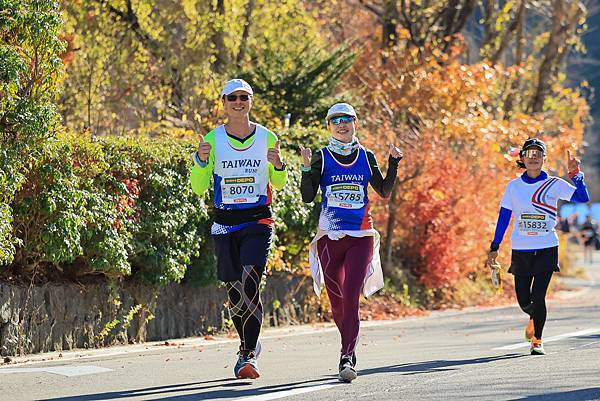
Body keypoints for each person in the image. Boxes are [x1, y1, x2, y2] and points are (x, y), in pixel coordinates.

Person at [190, 79, 287, 379]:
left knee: (250, 282)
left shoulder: (268, 138)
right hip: (224, 222)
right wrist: (202, 161)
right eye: (232, 97)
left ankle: (248, 354)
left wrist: (279, 165)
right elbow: (199, 186)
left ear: (251, 101)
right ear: (223, 102)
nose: (238, 102)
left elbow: (279, 184)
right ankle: (247, 346)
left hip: (258, 219)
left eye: (244, 97)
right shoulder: (213, 138)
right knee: (234, 291)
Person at [300, 103, 402, 382]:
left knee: (351, 295)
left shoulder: (366, 156)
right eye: (336, 120)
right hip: (330, 237)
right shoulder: (321, 156)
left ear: (356, 123)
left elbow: (383, 191)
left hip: (361, 235)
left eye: (347, 119)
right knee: (338, 302)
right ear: (329, 126)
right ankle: (348, 346)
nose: (342, 124)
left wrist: (393, 164)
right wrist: (306, 168)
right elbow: (308, 197)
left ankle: (347, 356)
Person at [487, 138, 589, 355]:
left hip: (546, 247)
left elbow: (582, 198)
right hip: (521, 249)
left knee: (538, 296)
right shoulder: (513, 187)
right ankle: (533, 317)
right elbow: (504, 217)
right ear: (522, 159)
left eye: (538, 154)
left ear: (544, 159)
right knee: (524, 299)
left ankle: (537, 340)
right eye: (529, 154)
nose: (533, 158)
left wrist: (575, 175)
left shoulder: (554, 184)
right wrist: (495, 245)